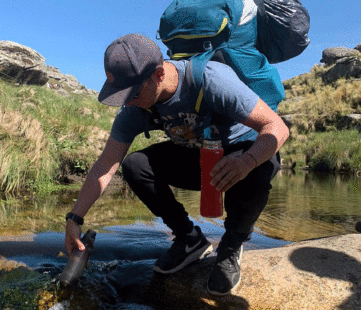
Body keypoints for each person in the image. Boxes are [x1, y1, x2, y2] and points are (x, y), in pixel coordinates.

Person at [64, 33, 289, 296]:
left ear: (159, 74)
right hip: (199, 158)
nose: (127, 102)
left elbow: (277, 127)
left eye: (133, 93)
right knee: (136, 165)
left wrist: (247, 161)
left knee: (265, 163)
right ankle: (189, 239)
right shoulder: (137, 108)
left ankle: (230, 246)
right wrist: (75, 217)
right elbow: (105, 164)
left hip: (241, 154)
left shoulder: (211, 80)